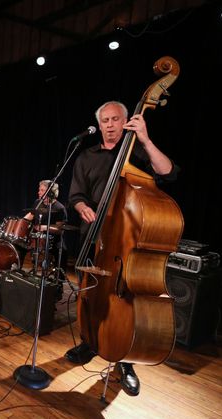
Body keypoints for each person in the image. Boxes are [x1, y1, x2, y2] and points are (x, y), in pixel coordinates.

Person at [66, 100, 180, 396]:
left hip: (126, 243)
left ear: (126, 121)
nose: (110, 125)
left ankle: (125, 359)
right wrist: (81, 207)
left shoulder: (138, 153)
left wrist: (145, 139)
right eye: (105, 120)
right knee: (91, 294)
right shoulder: (86, 156)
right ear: (99, 124)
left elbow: (169, 172)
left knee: (125, 299)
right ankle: (90, 342)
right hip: (94, 237)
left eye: (115, 119)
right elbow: (76, 194)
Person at [24, 180, 68, 275]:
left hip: (53, 240)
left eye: (42, 190)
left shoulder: (60, 208)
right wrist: (20, 222)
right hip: (36, 237)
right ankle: (16, 269)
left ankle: (59, 278)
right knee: (20, 244)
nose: (38, 192)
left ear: (51, 193)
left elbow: (60, 229)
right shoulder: (37, 202)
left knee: (63, 252)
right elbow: (30, 215)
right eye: (39, 190)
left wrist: (45, 228)